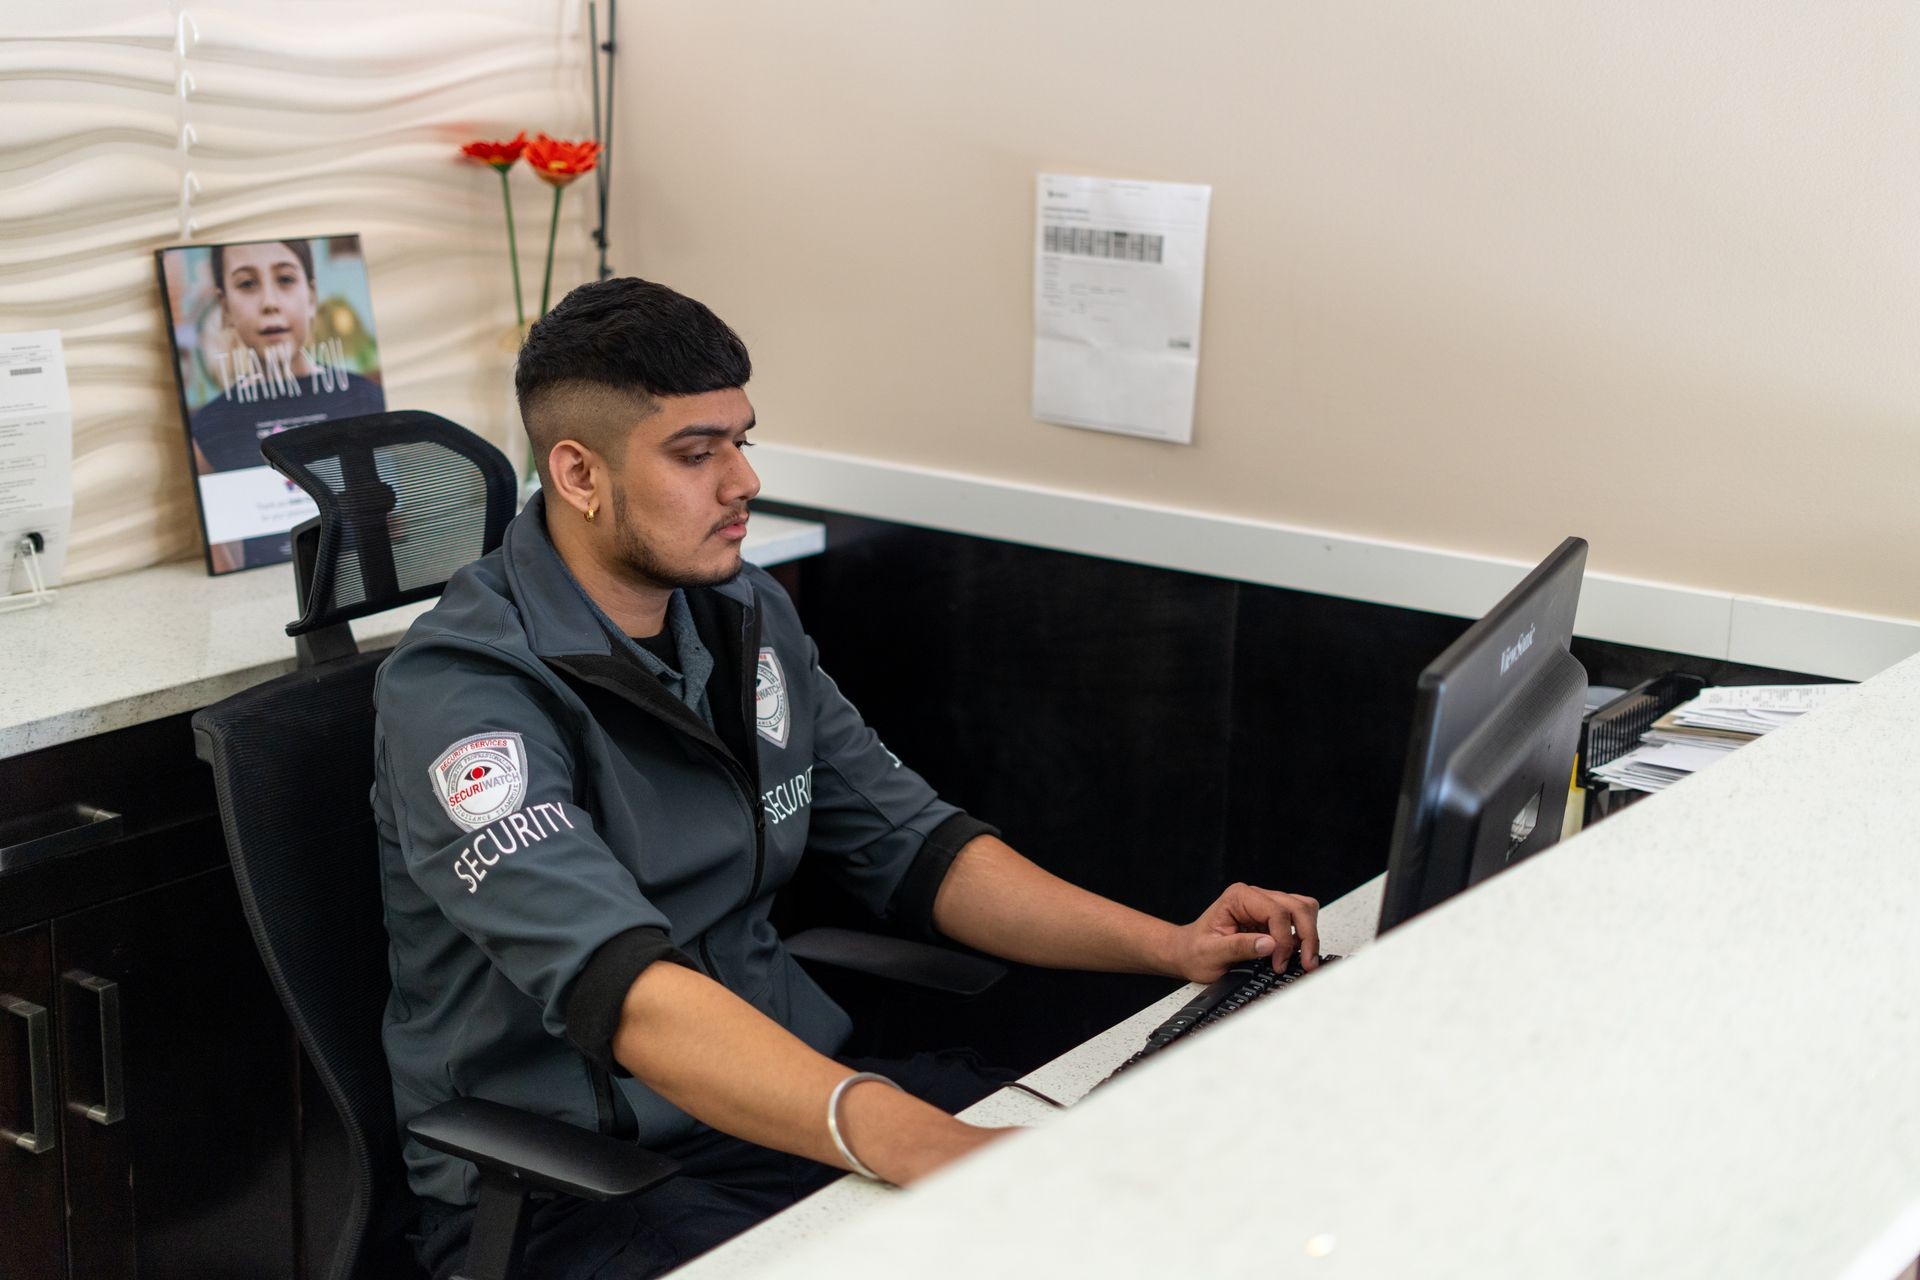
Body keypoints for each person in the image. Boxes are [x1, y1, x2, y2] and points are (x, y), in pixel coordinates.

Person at [371, 277, 1322, 1279]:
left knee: (1155, 1198)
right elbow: (630, 994)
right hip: (583, 1184)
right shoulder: (465, 692)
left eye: (741, 438)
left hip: (789, 1114)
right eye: (698, 452)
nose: (743, 479)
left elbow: (917, 844)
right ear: (577, 473)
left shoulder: (739, 615)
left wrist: (1170, 945)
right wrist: (929, 1145)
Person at [188, 239, 384, 570]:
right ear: (225, 307)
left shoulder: (366, 399)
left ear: (310, 297)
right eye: (247, 284)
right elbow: (226, 554)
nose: (269, 303)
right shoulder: (208, 428)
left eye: (285, 279)